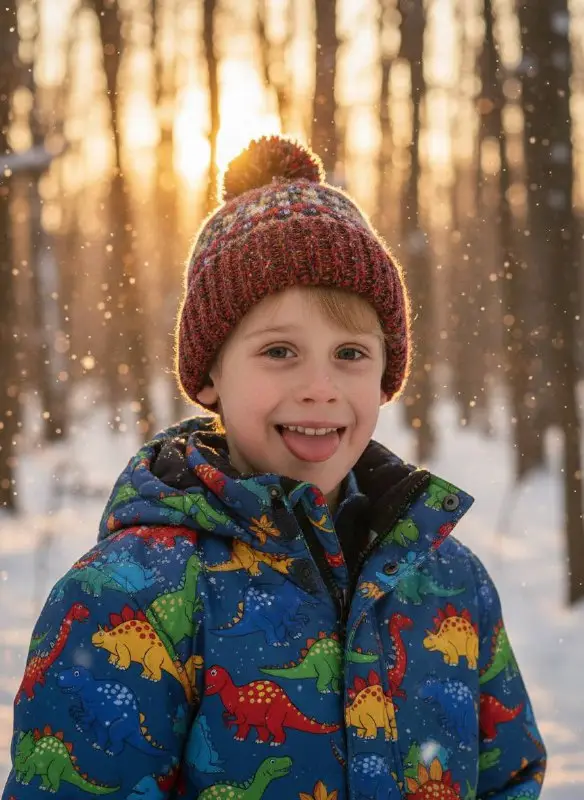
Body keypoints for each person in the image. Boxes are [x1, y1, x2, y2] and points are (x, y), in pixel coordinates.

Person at [2, 135, 546, 800]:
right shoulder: (130, 595)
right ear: (209, 377)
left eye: (349, 353)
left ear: (386, 378)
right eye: (281, 350)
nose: (320, 387)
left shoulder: (448, 580)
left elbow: (508, 775)